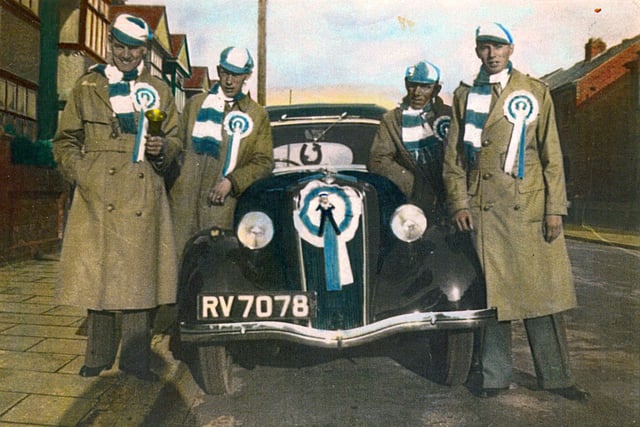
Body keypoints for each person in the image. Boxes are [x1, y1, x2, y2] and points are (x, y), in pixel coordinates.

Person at [443, 22, 589, 401]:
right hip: (483, 210)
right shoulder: (464, 97)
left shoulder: (534, 92)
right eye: (484, 48)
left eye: (498, 47)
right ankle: (494, 376)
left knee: (542, 295)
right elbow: (454, 160)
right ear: (477, 52)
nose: (491, 54)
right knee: (495, 296)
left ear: (511, 49)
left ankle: (556, 377)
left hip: (529, 208)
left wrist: (555, 208)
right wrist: (459, 201)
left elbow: (551, 156)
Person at [53, 13, 181, 381]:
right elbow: (65, 141)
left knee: (138, 281)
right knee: (99, 277)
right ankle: (97, 355)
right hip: (98, 192)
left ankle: (136, 358)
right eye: (120, 47)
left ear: (144, 52)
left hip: (142, 189)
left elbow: (176, 141)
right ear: (110, 44)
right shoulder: (87, 85)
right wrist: (82, 174)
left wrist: (161, 149)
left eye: (134, 49)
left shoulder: (159, 90)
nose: (126, 55)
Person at [169, 46, 274, 255]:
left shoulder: (256, 115)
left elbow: (264, 162)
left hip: (221, 208)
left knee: (214, 266)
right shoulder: (195, 105)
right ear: (218, 70)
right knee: (178, 268)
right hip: (183, 205)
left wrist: (233, 182)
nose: (228, 81)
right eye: (225, 73)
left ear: (247, 76)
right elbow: (176, 145)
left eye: (235, 75)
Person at [369, 60, 451, 221]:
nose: (417, 92)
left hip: (450, 197)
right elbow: (378, 160)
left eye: (425, 87)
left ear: (436, 89)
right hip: (412, 202)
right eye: (412, 85)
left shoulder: (449, 116)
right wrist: (413, 185)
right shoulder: (391, 120)